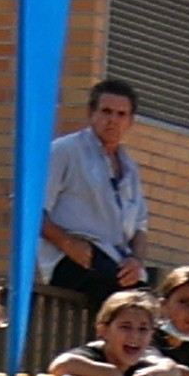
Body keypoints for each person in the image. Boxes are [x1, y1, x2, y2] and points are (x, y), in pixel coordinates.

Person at [39, 80, 150, 310]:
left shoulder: (130, 168)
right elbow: (30, 211)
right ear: (91, 113)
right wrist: (68, 244)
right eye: (106, 111)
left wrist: (136, 260)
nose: (113, 120)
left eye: (121, 114)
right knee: (123, 307)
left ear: (130, 121)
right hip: (73, 258)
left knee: (150, 306)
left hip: (115, 262)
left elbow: (140, 227)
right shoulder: (65, 150)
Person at [49, 290, 189, 376]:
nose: (134, 336)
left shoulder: (142, 366)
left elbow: (176, 371)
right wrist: (112, 374)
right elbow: (61, 365)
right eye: (125, 327)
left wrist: (164, 369)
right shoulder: (92, 355)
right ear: (103, 330)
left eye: (143, 329)